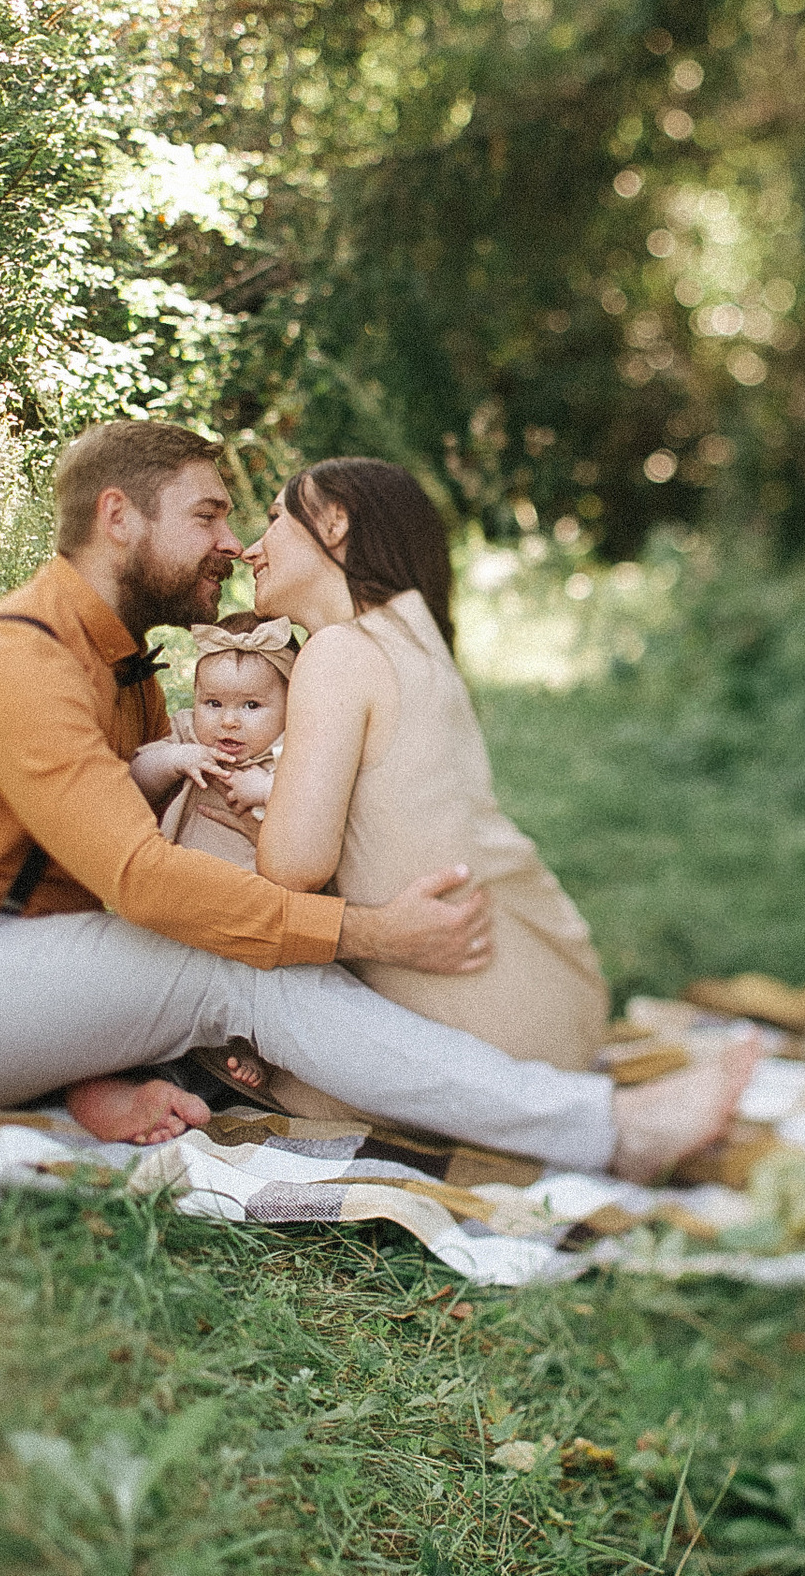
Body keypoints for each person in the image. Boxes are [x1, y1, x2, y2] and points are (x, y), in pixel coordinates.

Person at [0, 418, 753, 1178]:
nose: (231, 543)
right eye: (207, 515)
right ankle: (608, 1129)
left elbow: (111, 880)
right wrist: (368, 933)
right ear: (119, 518)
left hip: (7, 972)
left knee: (232, 945)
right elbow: (142, 883)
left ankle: (101, 1080)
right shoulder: (19, 665)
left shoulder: (123, 666)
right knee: (236, 968)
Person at [239, 459, 615, 1117]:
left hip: (489, 1038)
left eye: (274, 519)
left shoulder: (339, 652)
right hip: (555, 999)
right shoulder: (416, 640)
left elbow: (292, 864)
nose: (251, 546)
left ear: (334, 521)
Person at [129, 610, 296, 871]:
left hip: (259, 896)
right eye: (213, 703)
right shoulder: (189, 735)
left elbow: (316, 808)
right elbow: (134, 782)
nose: (228, 721)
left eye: (251, 705)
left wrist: (266, 789)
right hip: (179, 885)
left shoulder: (292, 750)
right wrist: (174, 760)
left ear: (291, 705)